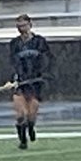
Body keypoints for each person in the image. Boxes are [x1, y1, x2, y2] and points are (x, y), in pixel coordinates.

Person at [7, 13, 51, 150]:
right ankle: (23, 141)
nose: (22, 29)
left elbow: (47, 60)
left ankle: (31, 128)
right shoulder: (14, 44)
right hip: (20, 84)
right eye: (19, 26)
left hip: (35, 84)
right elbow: (11, 63)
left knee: (31, 116)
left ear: (30, 25)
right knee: (21, 116)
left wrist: (44, 75)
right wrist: (12, 79)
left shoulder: (40, 42)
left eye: (24, 25)